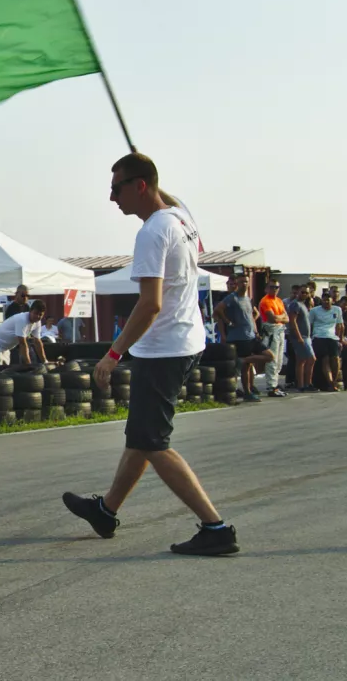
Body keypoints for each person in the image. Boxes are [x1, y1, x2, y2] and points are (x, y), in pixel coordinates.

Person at [63, 152, 238, 556]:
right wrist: (151, 178)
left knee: (153, 441)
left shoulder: (151, 233)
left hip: (163, 348)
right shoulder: (181, 218)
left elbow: (149, 304)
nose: (111, 198)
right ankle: (106, 510)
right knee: (140, 436)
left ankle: (216, 527)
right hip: (186, 340)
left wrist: (113, 354)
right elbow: (167, 197)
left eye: (116, 188)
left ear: (140, 186)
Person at [213, 277, 273, 402]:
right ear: (237, 284)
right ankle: (247, 392)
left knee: (269, 356)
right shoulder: (232, 298)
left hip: (251, 336)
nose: (244, 284)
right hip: (239, 337)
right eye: (241, 282)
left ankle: (245, 363)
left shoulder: (247, 298)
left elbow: (253, 315)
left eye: (246, 282)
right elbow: (218, 310)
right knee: (246, 367)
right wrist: (228, 322)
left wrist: (255, 330)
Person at [0, 300, 47, 366]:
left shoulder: (37, 322)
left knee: (4, 371)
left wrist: (45, 362)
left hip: (5, 348)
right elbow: (22, 344)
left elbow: (38, 342)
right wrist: (29, 365)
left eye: (40, 315)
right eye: (36, 313)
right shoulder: (22, 319)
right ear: (30, 311)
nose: (37, 316)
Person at [257, 280, 289, 397]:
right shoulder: (265, 301)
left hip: (280, 331)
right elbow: (272, 319)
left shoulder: (279, 301)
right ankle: (271, 386)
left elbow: (287, 318)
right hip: (271, 331)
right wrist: (281, 317)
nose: (274, 289)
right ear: (267, 288)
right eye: (272, 287)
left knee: (279, 360)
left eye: (276, 287)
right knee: (273, 359)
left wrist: (279, 317)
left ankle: (274, 384)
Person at [309, 293, 344, 391]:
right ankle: (330, 383)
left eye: (328, 300)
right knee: (325, 360)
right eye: (324, 300)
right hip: (319, 337)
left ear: (332, 300)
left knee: (336, 359)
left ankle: (334, 381)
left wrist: (340, 340)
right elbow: (310, 325)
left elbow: (340, 326)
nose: (326, 302)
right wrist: (310, 338)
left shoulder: (337, 309)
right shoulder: (314, 311)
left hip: (333, 337)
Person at [287, 286, 316, 392]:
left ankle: (302, 385)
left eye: (306, 293)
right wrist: (299, 337)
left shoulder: (304, 304)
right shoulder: (295, 304)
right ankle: (307, 383)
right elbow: (292, 321)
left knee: (301, 360)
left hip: (306, 336)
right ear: (298, 292)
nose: (304, 294)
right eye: (302, 292)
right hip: (301, 337)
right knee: (311, 359)